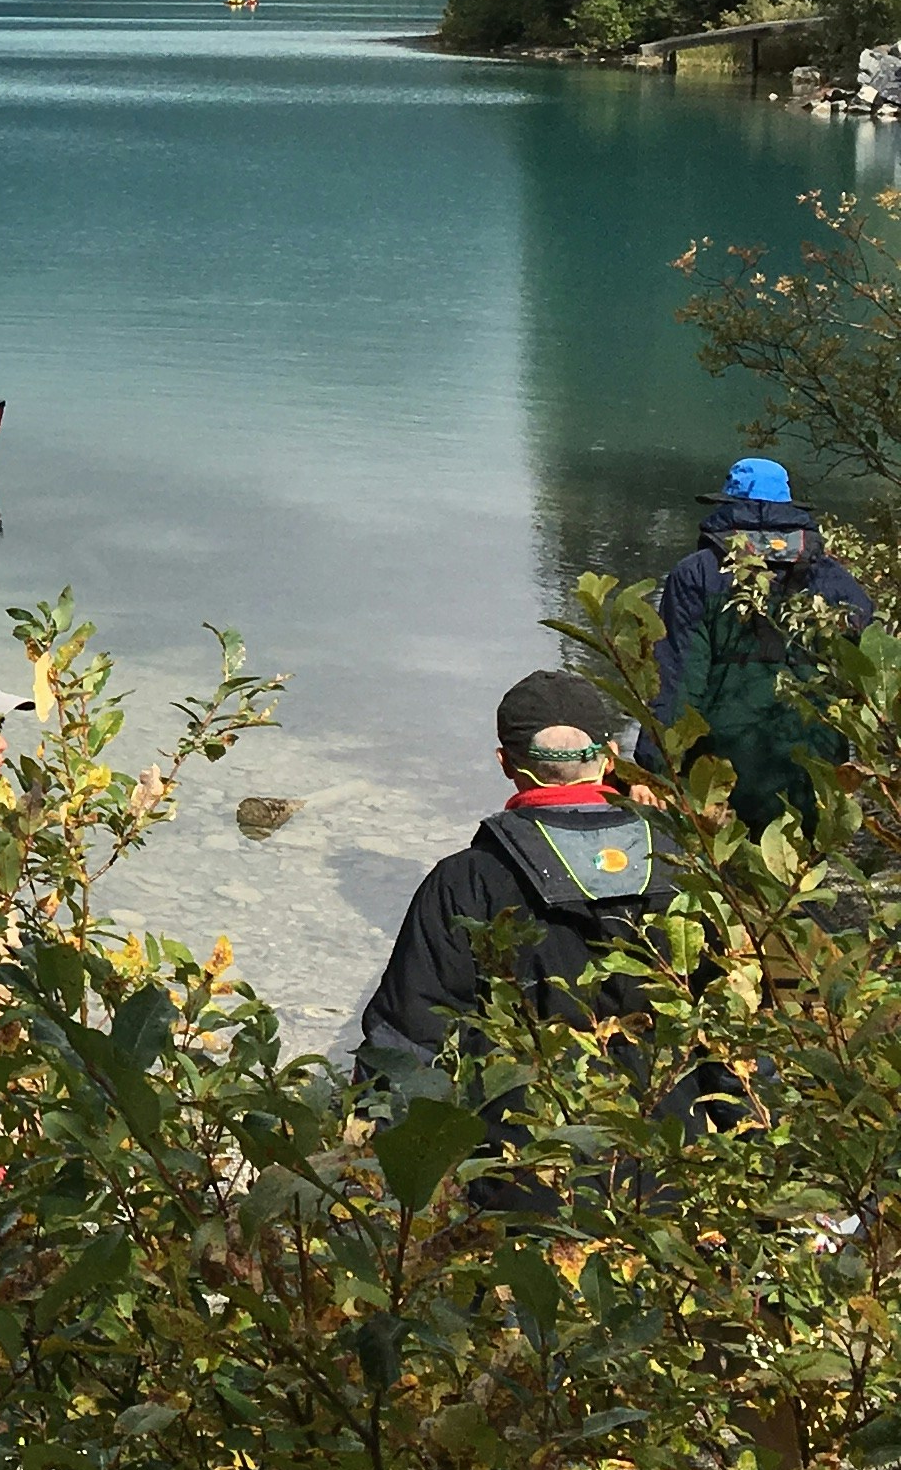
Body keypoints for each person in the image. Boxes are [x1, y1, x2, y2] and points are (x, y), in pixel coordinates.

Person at [359, 670, 679, 1071]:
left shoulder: (465, 881)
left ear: (505, 764)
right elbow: (734, 1030)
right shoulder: (682, 865)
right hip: (664, 1123)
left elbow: (409, 1039)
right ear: (611, 756)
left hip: (521, 1124)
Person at [653, 454, 876, 829]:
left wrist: (657, 767)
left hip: (721, 776)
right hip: (813, 771)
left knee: (727, 878)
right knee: (797, 878)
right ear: (790, 507)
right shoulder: (837, 581)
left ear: (728, 506)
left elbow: (678, 677)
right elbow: (864, 678)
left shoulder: (697, 574)